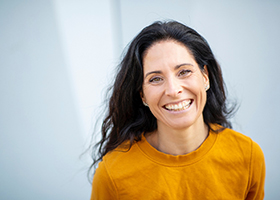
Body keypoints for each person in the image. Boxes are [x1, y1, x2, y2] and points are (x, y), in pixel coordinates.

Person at [90, 20, 265, 199]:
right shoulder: (112, 174)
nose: (173, 91)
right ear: (142, 95)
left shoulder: (248, 156)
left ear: (205, 77)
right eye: (155, 79)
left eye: (184, 72)